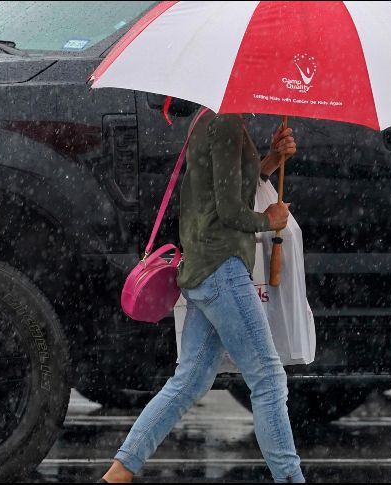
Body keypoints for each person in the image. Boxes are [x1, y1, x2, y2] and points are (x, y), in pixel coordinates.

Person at [101, 108, 302, 483]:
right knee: (269, 379)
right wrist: (268, 221)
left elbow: (223, 190)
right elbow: (229, 211)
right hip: (222, 268)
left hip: (204, 268)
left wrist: (271, 161)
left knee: (189, 382)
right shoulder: (225, 122)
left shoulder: (214, 119)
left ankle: (119, 473)